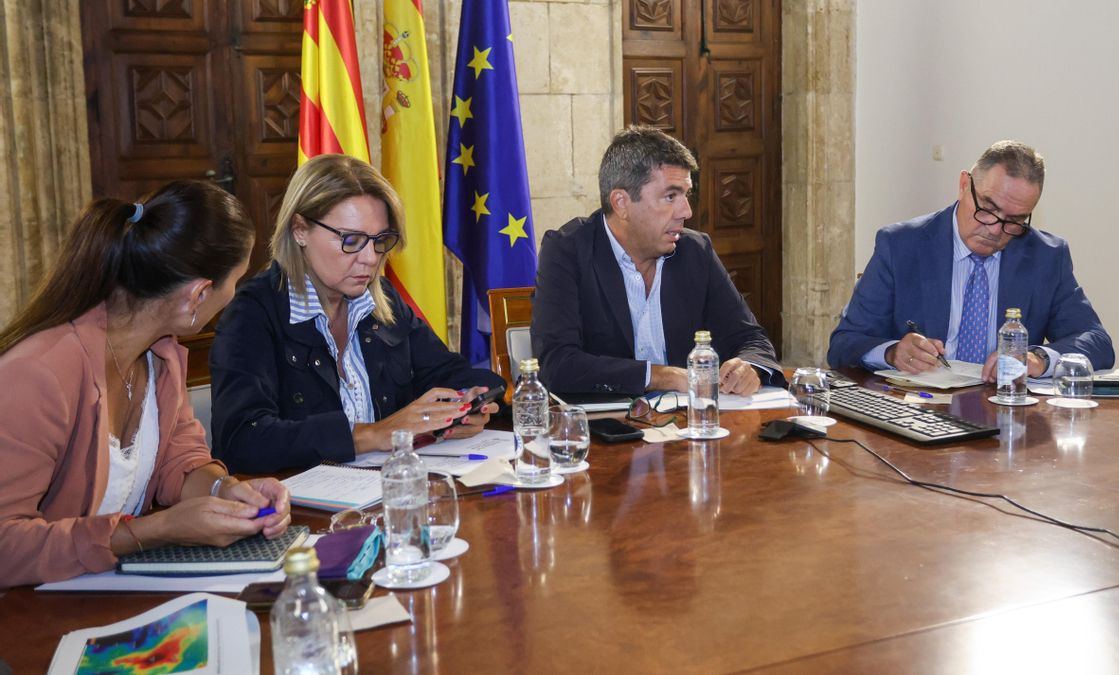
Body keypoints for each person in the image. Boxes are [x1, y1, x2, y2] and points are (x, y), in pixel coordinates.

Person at [0, 181, 291, 588]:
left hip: (111, 591)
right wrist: (155, 530)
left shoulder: (161, 354)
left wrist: (228, 491)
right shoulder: (38, 374)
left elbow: (179, 462)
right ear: (199, 293)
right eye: (236, 281)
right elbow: (5, 546)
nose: (233, 296)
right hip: (33, 615)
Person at [210, 154, 504, 474]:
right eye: (351, 240)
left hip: (384, 493)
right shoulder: (253, 313)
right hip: (295, 509)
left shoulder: (382, 302)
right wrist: (371, 435)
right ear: (300, 230)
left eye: (380, 241)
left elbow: (450, 372)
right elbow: (242, 439)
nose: (369, 259)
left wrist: (473, 400)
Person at [827, 140, 1114, 380]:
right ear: (964, 185)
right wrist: (892, 353)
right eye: (988, 208)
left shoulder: (1046, 256)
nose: (995, 229)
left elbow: (1096, 341)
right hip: (918, 413)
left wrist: (1037, 358)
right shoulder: (900, 246)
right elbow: (844, 344)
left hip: (1003, 418)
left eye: (1014, 220)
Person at [531, 126, 784, 397]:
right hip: (610, 428)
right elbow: (556, 365)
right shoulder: (568, 251)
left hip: (689, 424)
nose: (685, 211)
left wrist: (749, 367)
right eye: (670, 196)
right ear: (621, 203)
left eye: (687, 195)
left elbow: (750, 338)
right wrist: (662, 376)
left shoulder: (695, 250)